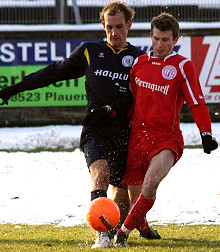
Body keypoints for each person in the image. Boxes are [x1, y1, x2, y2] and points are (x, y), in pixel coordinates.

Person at [0, 1, 145, 249]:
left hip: (124, 131)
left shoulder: (139, 59)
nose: (114, 33)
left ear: (129, 25)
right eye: (109, 27)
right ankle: (102, 233)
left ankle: (117, 231)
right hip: (95, 128)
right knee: (100, 172)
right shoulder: (90, 51)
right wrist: (16, 88)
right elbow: (53, 72)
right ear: (103, 24)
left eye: (119, 27)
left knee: (121, 190)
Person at [113, 12, 218, 247]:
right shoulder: (140, 64)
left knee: (151, 184)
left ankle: (123, 233)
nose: (160, 45)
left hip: (166, 138)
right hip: (138, 136)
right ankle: (144, 228)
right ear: (151, 36)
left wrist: (206, 132)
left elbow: (196, 101)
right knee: (137, 199)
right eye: (157, 39)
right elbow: (133, 99)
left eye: (166, 40)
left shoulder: (183, 65)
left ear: (175, 39)